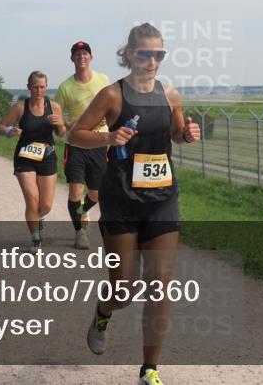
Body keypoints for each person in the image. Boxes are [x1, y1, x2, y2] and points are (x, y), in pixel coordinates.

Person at [70, 23, 200, 385]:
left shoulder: (170, 93)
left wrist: (186, 135)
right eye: (145, 53)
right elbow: (75, 134)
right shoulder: (112, 96)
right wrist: (109, 136)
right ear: (128, 54)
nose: (153, 61)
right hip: (122, 201)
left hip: (162, 200)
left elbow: (174, 133)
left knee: (159, 286)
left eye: (159, 54)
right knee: (124, 289)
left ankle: (150, 370)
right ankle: (104, 310)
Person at [0, 71, 66, 251]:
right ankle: (36, 239)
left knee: (46, 205)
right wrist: (9, 131)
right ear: (29, 87)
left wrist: (59, 124)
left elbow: (61, 133)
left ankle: (39, 218)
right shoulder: (20, 107)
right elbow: (0, 126)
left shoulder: (54, 107)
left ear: (46, 87)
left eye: (42, 87)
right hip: (24, 157)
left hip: (47, 156)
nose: (39, 90)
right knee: (32, 199)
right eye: (35, 87)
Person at [55, 41, 111, 249]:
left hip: (99, 143)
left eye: (85, 53)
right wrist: (70, 124)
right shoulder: (65, 87)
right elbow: (58, 116)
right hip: (76, 144)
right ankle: (80, 232)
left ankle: (84, 210)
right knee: (75, 192)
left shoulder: (103, 80)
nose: (81, 57)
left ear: (91, 57)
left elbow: (112, 104)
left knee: (96, 193)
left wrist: (110, 121)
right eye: (77, 54)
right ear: (72, 59)